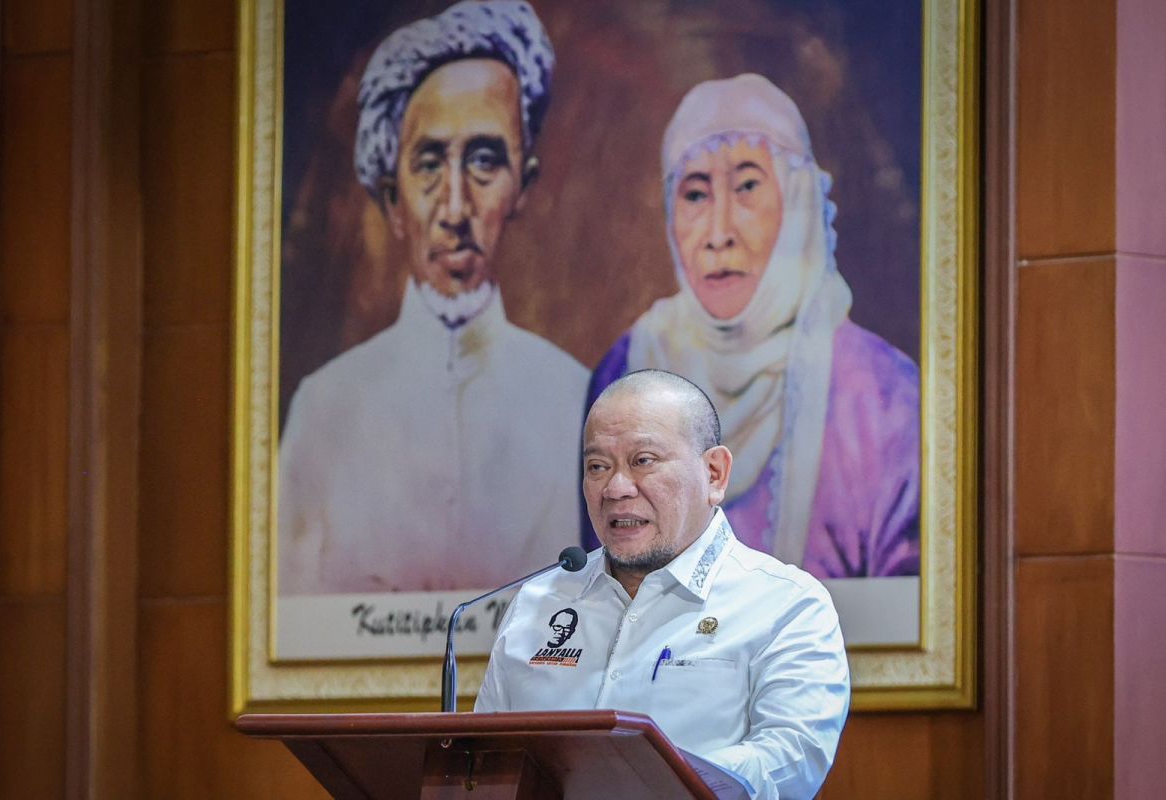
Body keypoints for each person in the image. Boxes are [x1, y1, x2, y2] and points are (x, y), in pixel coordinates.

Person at [278, 1, 587, 595]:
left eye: (484, 160)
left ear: (522, 185)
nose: (453, 208)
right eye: (429, 163)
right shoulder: (324, 410)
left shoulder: (577, 403)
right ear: (393, 200)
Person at [584, 74, 921, 579]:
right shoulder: (629, 366)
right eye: (695, 195)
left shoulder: (883, 395)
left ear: (798, 204)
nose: (719, 233)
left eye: (746, 187)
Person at [477, 369, 850, 800]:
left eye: (644, 461)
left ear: (714, 474)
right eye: (598, 466)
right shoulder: (540, 602)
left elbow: (790, 762)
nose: (615, 488)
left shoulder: (787, 605)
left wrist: (648, 778)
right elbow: (485, 763)